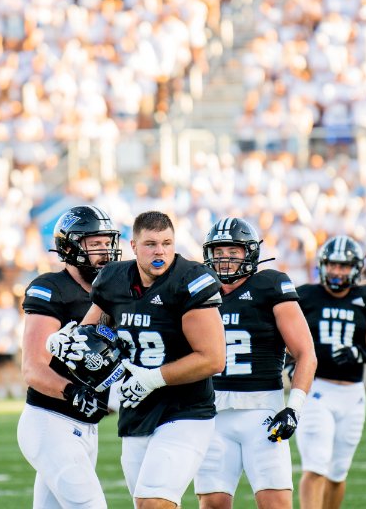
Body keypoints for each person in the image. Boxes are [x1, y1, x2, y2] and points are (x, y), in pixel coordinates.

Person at [48, 210, 226, 509]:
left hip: (184, 410)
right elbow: (94, 327)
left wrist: (153, 378)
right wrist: (69, 339)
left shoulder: (189, 280)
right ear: (133, 246)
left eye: (167, 244)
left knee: (152, 502)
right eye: (151, 244)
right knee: (149, 503)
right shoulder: (114, 278)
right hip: (136, 411)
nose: (160, 252)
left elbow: (213, 359)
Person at [194, 217, 317, 509]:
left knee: (275, 503)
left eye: (233, 252)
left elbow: (305, 353)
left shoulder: (270, 284)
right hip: (210, 411)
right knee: (213, 503)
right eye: (219, 252)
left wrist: (294, 408)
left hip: (262, 409)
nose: (224, 260)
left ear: (249, 253)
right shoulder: (198, 290)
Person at [17, 205, 122, 508]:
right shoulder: (51, 288)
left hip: (86, 428)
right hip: (51, 422)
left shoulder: (113, 290)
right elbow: (33, 367)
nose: (105, 251)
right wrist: (73, 391)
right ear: (71, 246)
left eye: (107, 243)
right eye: (95, 244)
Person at [294, 236, 366, 509]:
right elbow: (286, 341)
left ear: (356, 269)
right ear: (323, 265)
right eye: (333, 265)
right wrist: (291, 362)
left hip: (353, 395)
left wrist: (361, 353)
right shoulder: (305, 296)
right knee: (315, 466)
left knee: (337, 473)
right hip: (316, 389)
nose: (337, 271)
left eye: (344, 267)